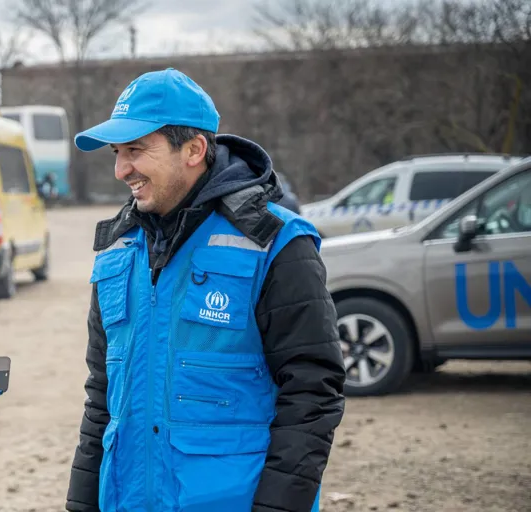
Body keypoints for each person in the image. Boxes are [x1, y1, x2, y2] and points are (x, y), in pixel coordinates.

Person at [65, 68, 346, 511]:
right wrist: (80, 504)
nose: (121, 170)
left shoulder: (275, 243)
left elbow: (312, 391)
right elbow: (102, 394)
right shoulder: (116, 250)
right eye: (117, 153)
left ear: (194, 149)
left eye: (136, 150)